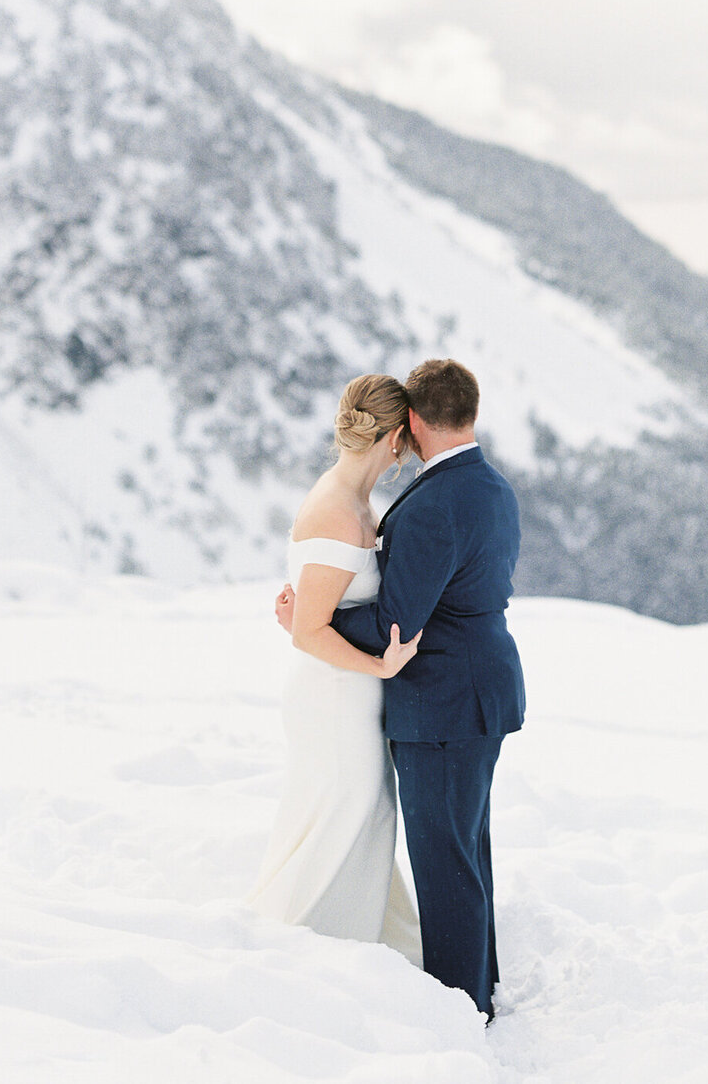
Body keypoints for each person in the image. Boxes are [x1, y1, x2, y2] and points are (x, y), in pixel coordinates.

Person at [281, 359, 526, 1022]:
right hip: (483, 689)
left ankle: (458, 1008)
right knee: (466, 849)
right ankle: (480, 986)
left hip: (442, 701)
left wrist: (316, 616)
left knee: (445, 861)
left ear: (414, 423)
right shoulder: (492, 486)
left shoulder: (434, 504)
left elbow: (397, 620)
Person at [249, 374, 422, 962]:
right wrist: (382, 666)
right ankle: (314, 947)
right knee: (349, 813)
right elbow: (309, 630)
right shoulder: (340, 512)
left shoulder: (351, 501)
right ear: (396, 438)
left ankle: (363, 940)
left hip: (344, 695)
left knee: (353, 815)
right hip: (335, 699)